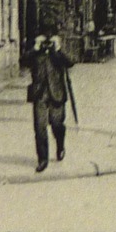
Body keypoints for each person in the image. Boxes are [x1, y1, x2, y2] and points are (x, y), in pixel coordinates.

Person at [23, 34, 73, 173]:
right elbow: (23, 61)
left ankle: (60, 145)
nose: (47, 44)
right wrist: (35, 48)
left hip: (56, 94)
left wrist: (58, 49)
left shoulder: (57, 52)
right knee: (40, 128)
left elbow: (71, 62)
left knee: (57, 125)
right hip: (39, 95)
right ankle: (43, 159)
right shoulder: (35, 50)